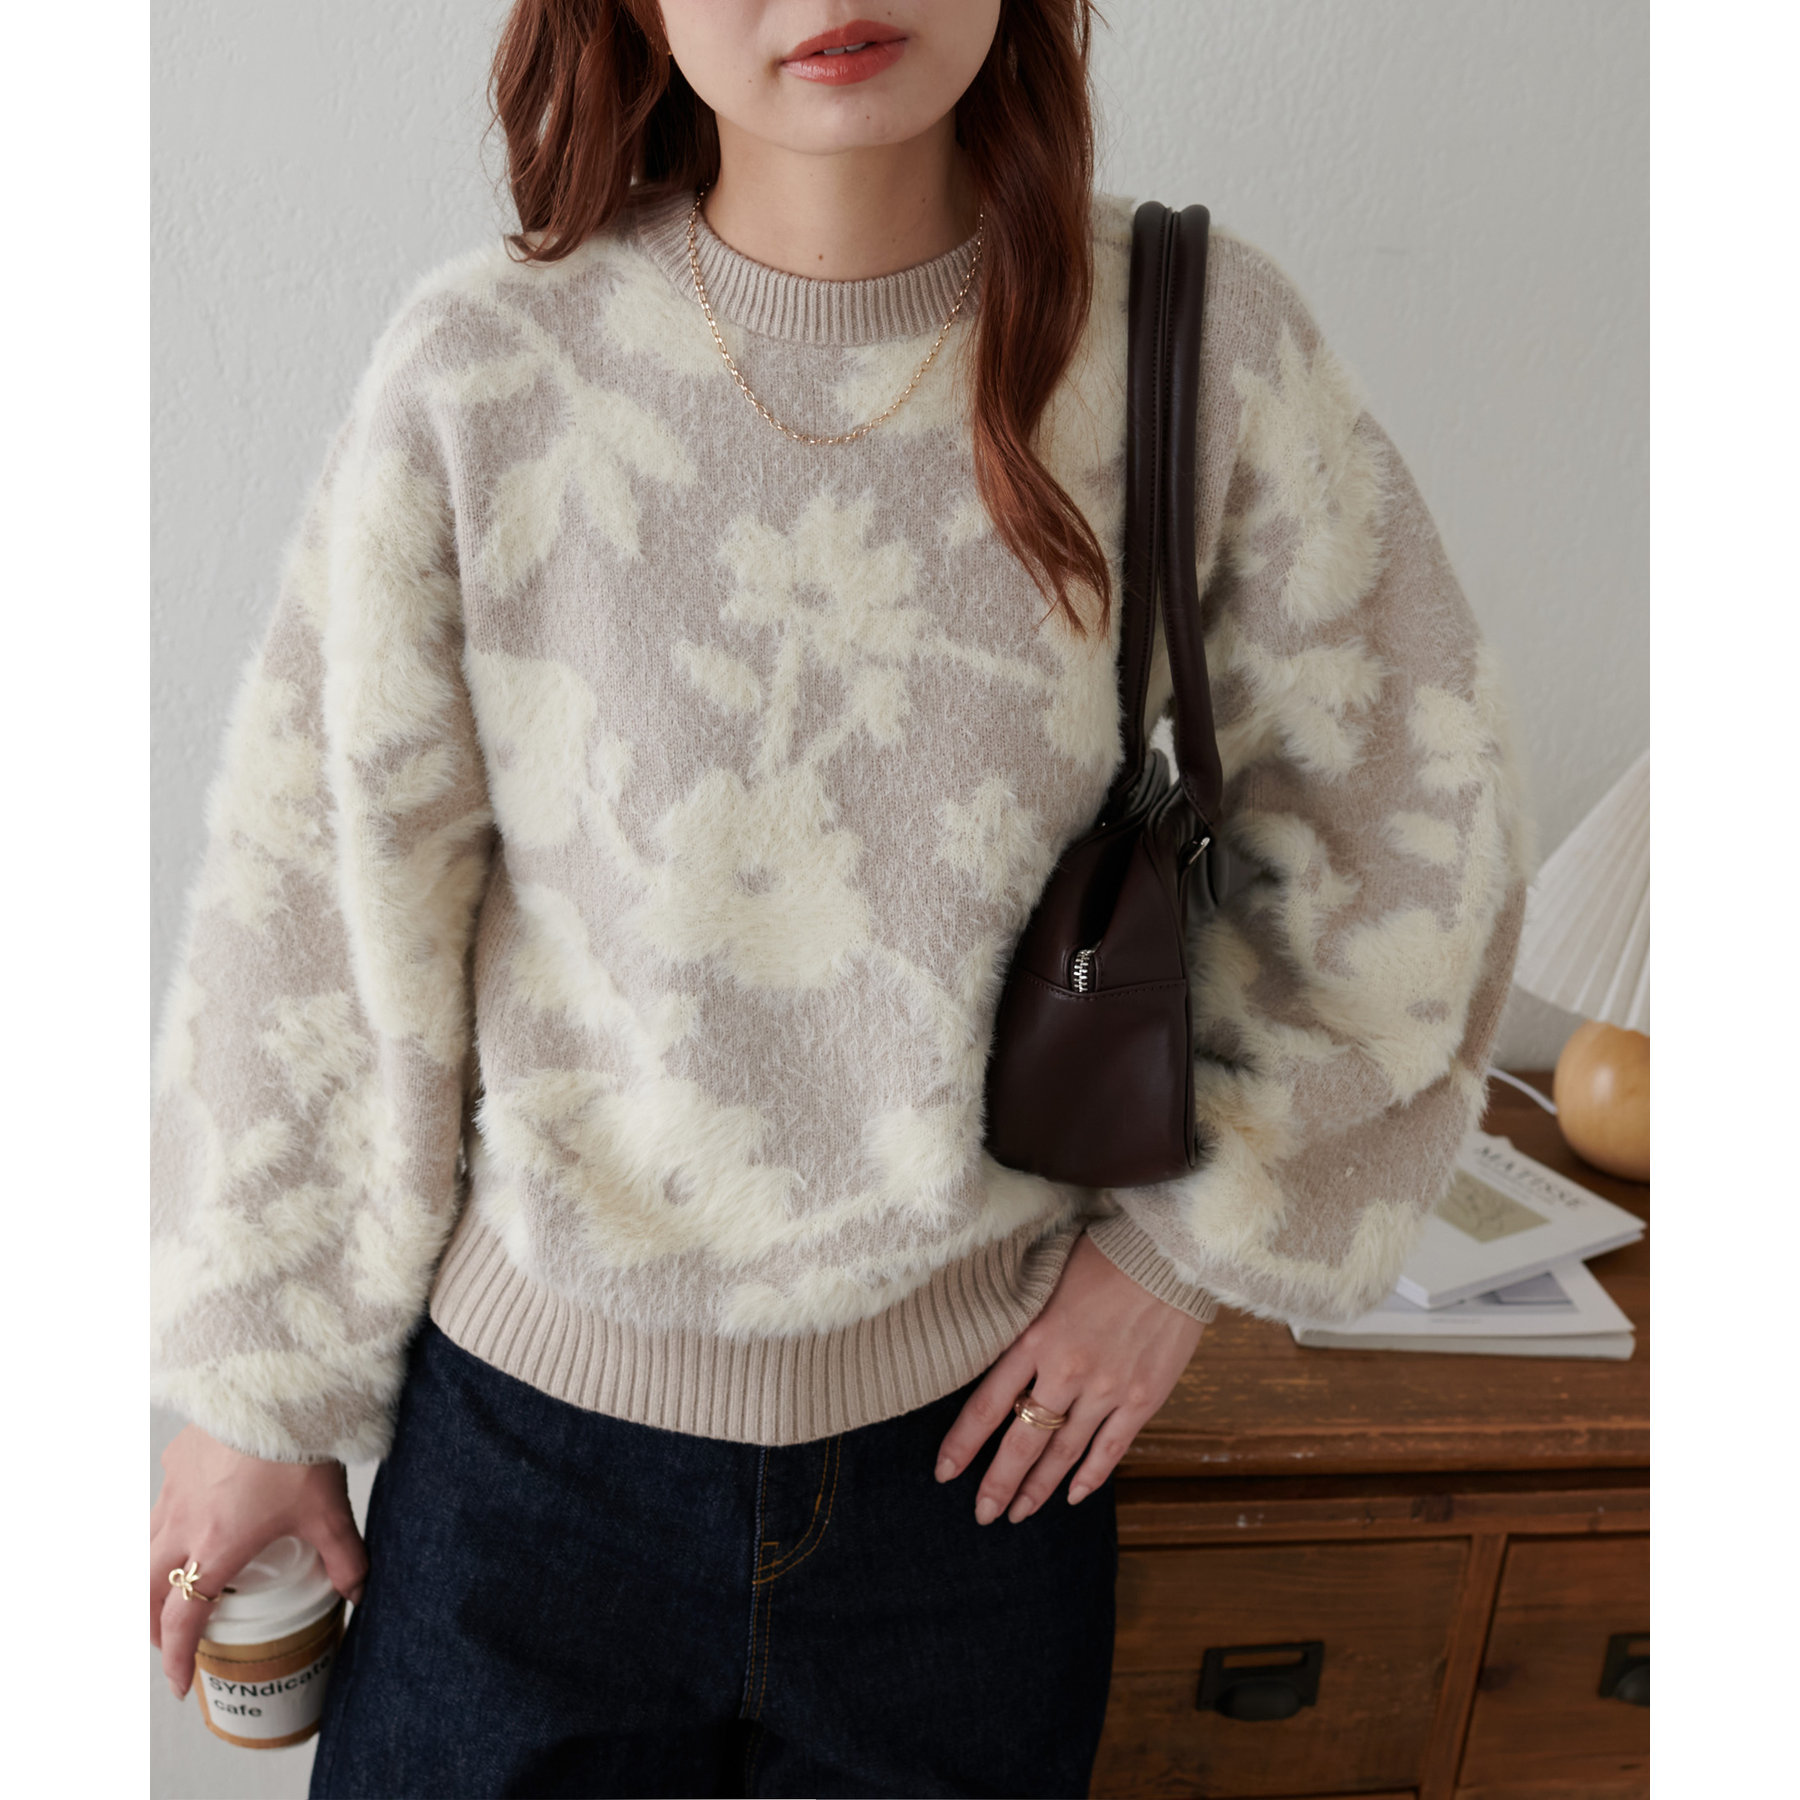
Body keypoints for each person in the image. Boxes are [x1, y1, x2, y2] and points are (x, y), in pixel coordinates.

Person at [149, 2, 1534, 1794]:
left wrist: (1182, 1260)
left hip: (978, 1480)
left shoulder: (1192, 348)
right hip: (522, 1482)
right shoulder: (490, 368)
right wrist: (257, 1392)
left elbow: (1411, 818)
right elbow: (322, 902)